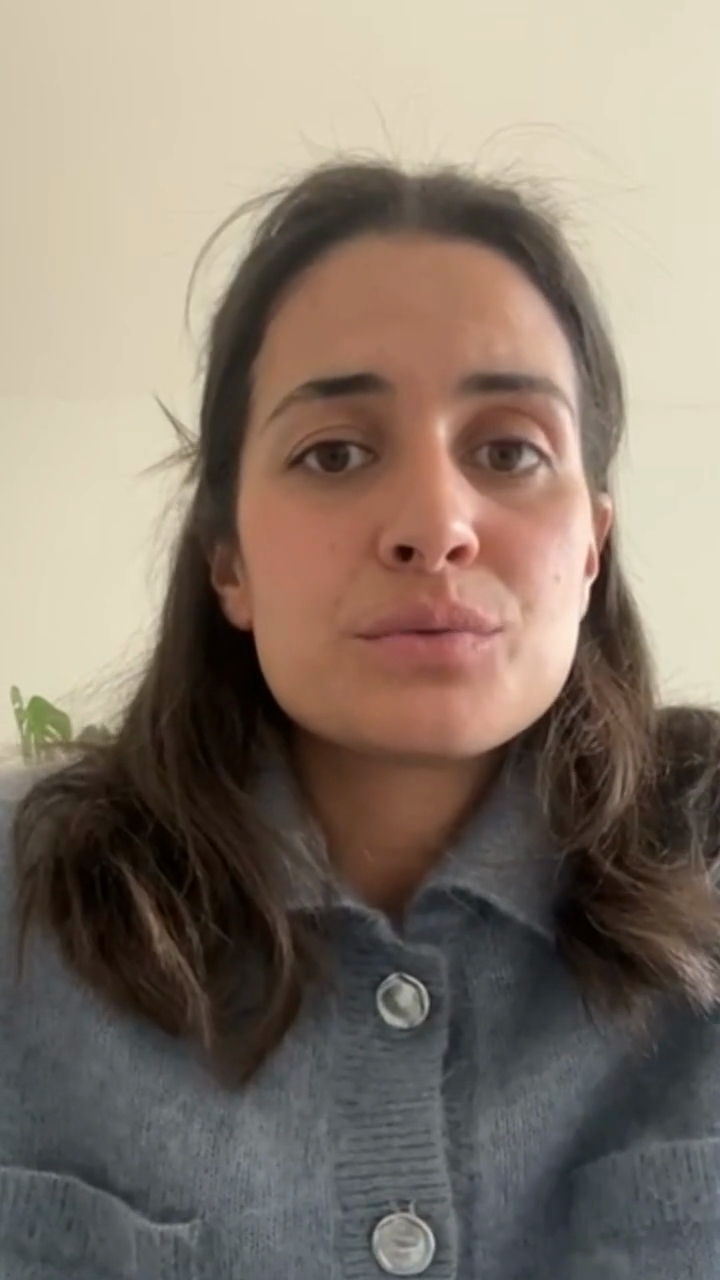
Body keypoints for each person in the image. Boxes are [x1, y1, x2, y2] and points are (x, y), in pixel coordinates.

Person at [1, 160, 720, 1280]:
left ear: (591, 546)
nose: (434, 523)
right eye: (334, 452)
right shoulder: (20, 890)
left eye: (509, 450)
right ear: (228, 561)